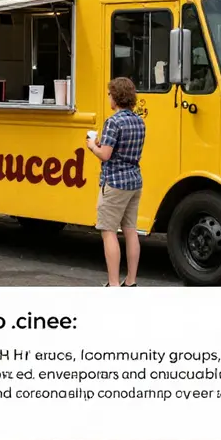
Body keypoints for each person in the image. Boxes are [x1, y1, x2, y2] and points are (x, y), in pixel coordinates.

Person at [85, 77, 146, 287]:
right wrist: (102, 145)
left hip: (115, 182)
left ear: (116, 97)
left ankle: (113, 284)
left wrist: (92, 146)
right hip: (134, 181)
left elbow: (105, 155)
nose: (108, 98)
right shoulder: (139, 121)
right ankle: (131, 281)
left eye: (110, 94)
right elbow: (122, 149)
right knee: (130, 230)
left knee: (108, 231)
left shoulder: (113, 122)